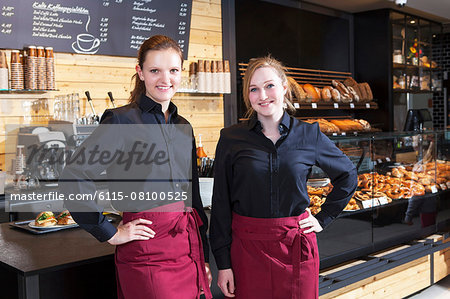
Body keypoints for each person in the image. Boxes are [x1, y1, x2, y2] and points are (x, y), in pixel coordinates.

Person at [60, 35, 212, 299]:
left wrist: (203, 255)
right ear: (140, 72)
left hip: (187, 249)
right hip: (146, 249)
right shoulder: (120, 121)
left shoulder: (183, 127)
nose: (165, 79)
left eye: (173, 70)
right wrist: (109, 231)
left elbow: (193, 196)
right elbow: (74, 175)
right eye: (155, 71)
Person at [210, 56, 358, 299]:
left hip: (295, 248)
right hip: (247, 251)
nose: (262, 95)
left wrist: (324, 217)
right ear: (248, 96)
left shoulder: (308, 134)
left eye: (269, 86)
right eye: (254, 89)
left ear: (284, 88)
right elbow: (221, 204)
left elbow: (347, 174)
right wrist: (223, 263)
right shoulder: (231, 138)